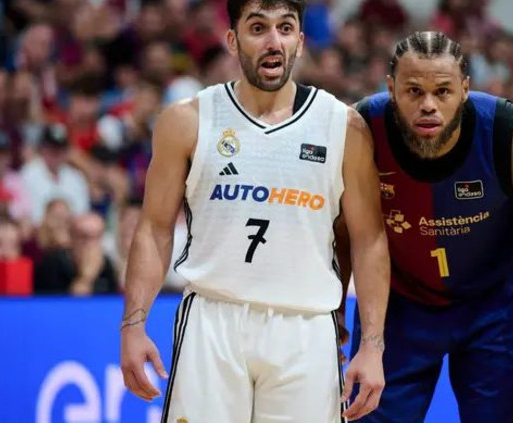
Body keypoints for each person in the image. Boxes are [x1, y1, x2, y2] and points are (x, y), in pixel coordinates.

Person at [119, 1, 390, 422]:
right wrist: (133, 325)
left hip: (306, 328)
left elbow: (369, 240)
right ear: (233, 40)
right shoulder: (187, 120)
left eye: (285, 28)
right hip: (212, 321)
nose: (273, 42)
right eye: (258, 28)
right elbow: (154, 228)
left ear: (300, 41)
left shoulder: (344, 126)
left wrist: (372, 347)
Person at [341, 31, 513, 423]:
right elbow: (341, 234)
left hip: (495, 306)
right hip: (400, 302)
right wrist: (339, 319)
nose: (428, 105)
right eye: (413, 91)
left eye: (443, 91)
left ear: (465, 90)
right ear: (390, 89)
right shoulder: (360, 129)